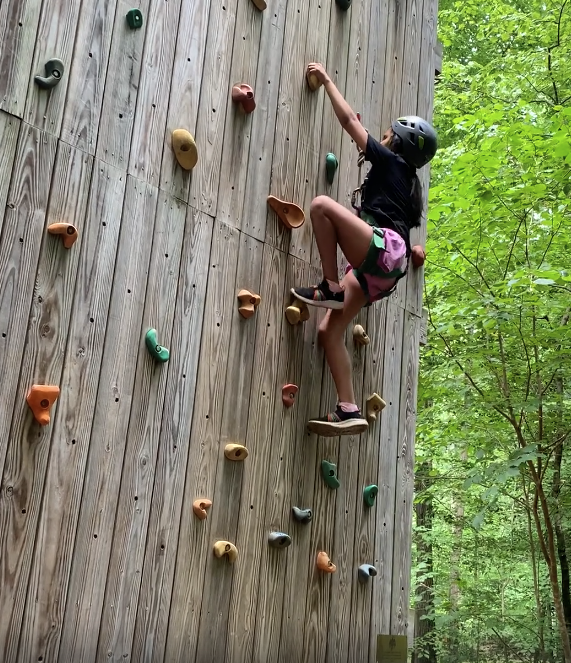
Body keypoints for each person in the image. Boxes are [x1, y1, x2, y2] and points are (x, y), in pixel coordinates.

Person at [292, 62, 438, 437]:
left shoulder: (390, 162)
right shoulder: (406, 185)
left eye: (389, 132)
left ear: (398, 142)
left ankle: (329, 286)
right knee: (329, 331)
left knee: (322, 206)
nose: (383, 134)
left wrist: (326, 80)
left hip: (383, 250)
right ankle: (349, 408)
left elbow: (348, 124)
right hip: (382, 274)